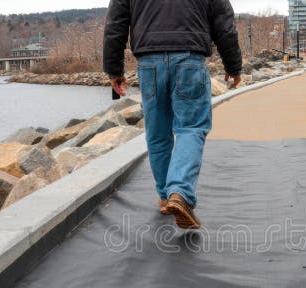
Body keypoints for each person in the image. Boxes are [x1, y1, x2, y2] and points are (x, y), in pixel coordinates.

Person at [103, 0, 242, 229]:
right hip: (189, 58)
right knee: (191, 127)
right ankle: (180, 191)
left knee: (158, 133)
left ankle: (167, 196)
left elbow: (115, 24)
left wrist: (114, 70)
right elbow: (224, 23)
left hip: (149, 61)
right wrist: (233, 65)